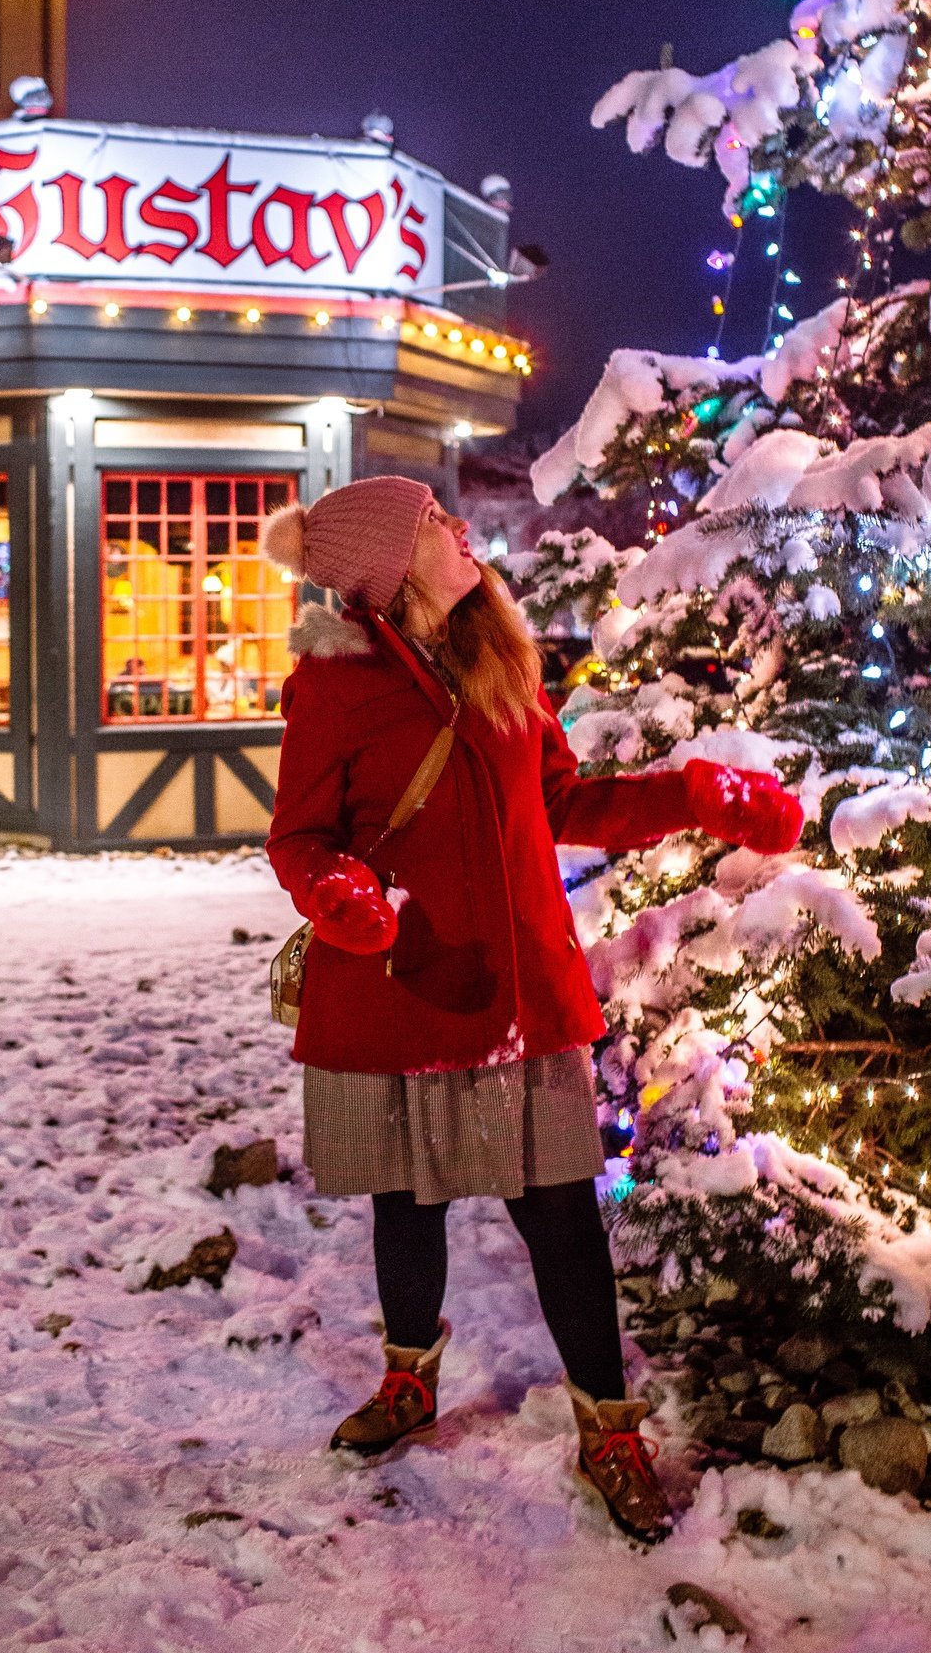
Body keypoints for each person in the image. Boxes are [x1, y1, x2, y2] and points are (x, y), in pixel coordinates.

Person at [262, 475, 802, 1545]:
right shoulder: (334, 685)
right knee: (405, 1201)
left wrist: (689, 795)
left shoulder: (497, 657)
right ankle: (410, 1378)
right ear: (391, 564)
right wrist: (341, 894)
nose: (462, 532)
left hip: (519, 993)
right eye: (434, 524)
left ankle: (612, 1430)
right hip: (402, 983)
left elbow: (563, 800)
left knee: (561, 1210)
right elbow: (300, 835)